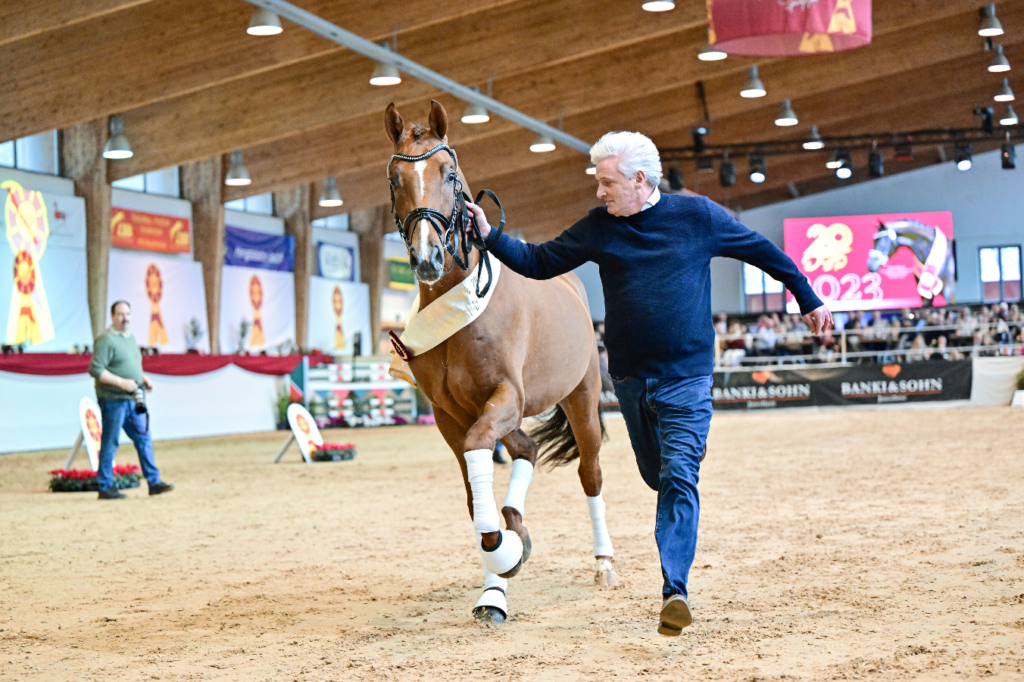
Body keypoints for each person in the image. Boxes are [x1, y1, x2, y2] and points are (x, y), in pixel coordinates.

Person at [466, 131, 832, 636]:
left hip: (687, 379)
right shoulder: (600, 227)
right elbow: (540, 261)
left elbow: (763, 252)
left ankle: (675, 591)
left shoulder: (698, 217)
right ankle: (672, 534)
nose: (599, 192)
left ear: (640, 180)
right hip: (633, 382)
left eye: (606, 182)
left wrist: (807, 298)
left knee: (680, 476)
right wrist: (489, 235)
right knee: (657, 475)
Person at [88, 301, 174, 499]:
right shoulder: (106, 340)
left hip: (134, 397)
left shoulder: (130, 339)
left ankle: (154, 481)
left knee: (144, 438)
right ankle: (105, 485)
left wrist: (144, 379)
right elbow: (96, 369)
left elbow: (133, 366)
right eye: (120, 314)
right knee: (111, 441)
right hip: (113, 398)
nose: (125, 318)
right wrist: (121, 383)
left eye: (127, 314)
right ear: (112, 316)